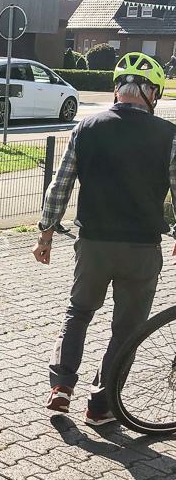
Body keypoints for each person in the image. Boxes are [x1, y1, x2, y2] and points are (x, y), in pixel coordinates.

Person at [34, 52, 176, 425]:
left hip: (94, 243)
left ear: (117, 89)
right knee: (128, 329)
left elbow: (60, 185)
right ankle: (101, 405)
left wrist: (45, 233)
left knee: (78, 312)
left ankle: (61, 386)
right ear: (152, 93)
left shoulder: (87, 127)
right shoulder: (169, 135)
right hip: (143, 248)